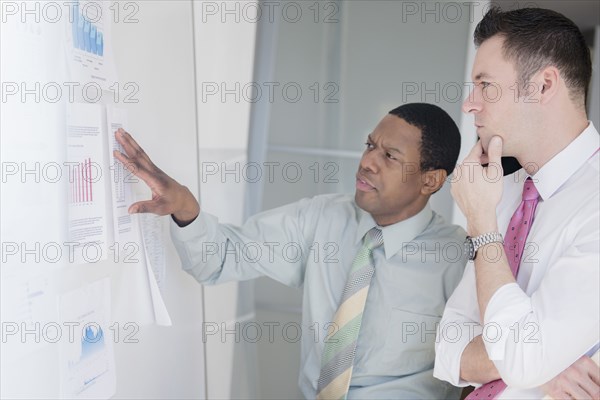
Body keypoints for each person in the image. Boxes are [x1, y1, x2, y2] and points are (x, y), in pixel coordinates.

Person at [114, 103, 468, 399]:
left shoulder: (457, 260)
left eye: (389, 156)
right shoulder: (322, 218)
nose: (368, 162)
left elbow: (482, 371)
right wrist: (186, 209)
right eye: (369, 145)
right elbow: (220, 258)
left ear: (430, 180)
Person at [434, 7, 600, 400]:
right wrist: (538, 365)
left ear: (543, 85)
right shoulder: (501, 191)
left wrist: (482, 224)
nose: (470, 104)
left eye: (486, 85)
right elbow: (449, 349)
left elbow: (522, 357)